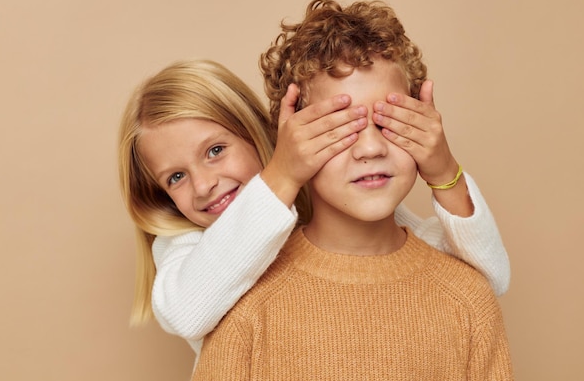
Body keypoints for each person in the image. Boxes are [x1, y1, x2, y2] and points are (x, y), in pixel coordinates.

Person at [190, 0, 513, 380]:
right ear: (293, 142)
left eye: (391, 121)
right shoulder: (245, 305)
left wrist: (444, 170)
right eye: (340, 129)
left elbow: (494, 269)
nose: (372, 148)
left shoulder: (468, 299)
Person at [118, 56, 509, 358]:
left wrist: (443, 170)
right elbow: (187, 312)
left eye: (216, 151)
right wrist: (283, 176)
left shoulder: (328, 203)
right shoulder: (185, 247)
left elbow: (484, 277)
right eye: (175, 178)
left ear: (261, 133)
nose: (203, 185)